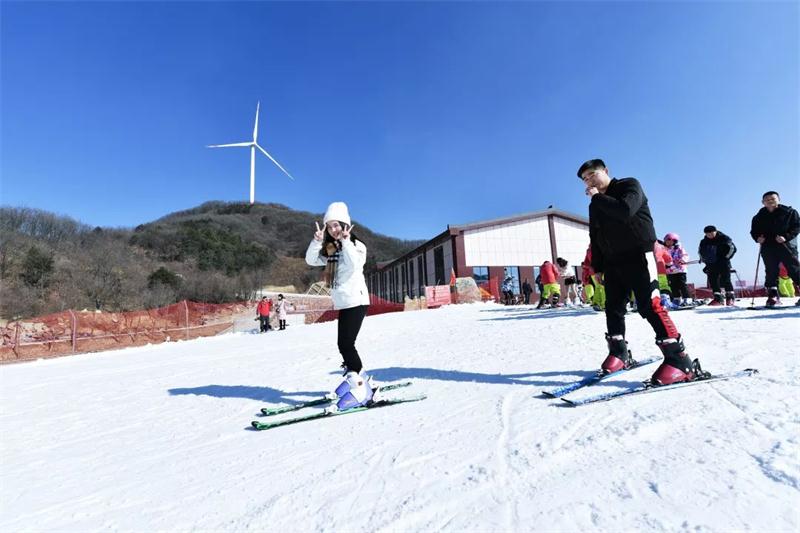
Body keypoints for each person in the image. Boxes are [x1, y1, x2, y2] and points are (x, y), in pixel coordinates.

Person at [578, 158, 705, 385]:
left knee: (649, 305)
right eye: (585, 179)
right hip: (612, 262)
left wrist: (597, 197)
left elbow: (625, 211)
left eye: (592, 175)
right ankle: (619, 353)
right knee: (613, 307)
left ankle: (679, 360)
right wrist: (597, 266)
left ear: (605, 170)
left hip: (638, 255)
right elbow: (595, 235)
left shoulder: (629, 185)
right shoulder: (595, 204)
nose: (589, 181)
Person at [305, 201, 373, 410]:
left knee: (346, 344)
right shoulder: (331, 248)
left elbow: (355, 264)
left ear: (345, 225)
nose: (333, 230)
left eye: (336, 225)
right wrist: (317, 242)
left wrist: (346, 242)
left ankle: (361, 387)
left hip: (356, 300)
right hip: (344, 302)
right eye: (329, 226)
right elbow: (311, 260)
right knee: (343, 343)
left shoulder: (357, 245)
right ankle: (356, 377)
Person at [750, 191, 800, 307]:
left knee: (794, 269)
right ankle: (772, 296)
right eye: (767, 200)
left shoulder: (789, 212)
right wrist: (757, 238)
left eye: (773, 199)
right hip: (768, 246)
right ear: (763, 202)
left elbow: (797, 226)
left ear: (778, 199)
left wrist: (786, 237)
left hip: (786, 245)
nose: (770, 201)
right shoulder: (758, 216)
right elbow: (754, 231)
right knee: (771, 270)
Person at [698, 225, 737, 306]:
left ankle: (730, 297)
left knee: (726, 279)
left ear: (715, 231)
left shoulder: (724, 238)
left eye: (711, 233)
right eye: (708, 234)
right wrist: (704, 259)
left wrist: (726, 257)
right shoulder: (704, 242)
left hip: (723, 262)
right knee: (713, 281)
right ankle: (718, 299)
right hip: (711, 263)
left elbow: (732, 248)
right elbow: (700, 251)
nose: (710, 235)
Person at [663, 233, 692, 306]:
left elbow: (685, 255)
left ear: (675, 241)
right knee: (673, 285)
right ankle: (677, 299)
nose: (668, 242)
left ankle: (687, 299)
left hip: (680, 270)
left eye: (671, 240)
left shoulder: (679, 248)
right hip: (670, 271)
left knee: (682, 284)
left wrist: (682, 260)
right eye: (667, 240)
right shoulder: (664, 249)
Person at [653, 240, 677, 309]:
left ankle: (638, 304)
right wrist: (669, 265)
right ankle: (665, 301)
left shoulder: (644, 244)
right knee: (663, 286)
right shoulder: (661, 247)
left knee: (650, 286)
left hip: (647, 270)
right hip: (660, 270)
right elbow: (669, 259)